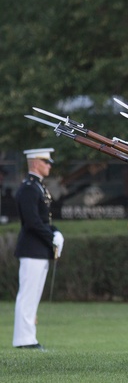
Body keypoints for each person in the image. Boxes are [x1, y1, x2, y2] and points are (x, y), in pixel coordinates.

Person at [13, 148, 63, 350]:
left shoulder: (38, 187)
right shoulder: (28, 188)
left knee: (33, 296)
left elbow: (44, 220)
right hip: (31, 249)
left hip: (40, 250)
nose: (49, 165)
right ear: (35, 164)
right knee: (27, 295)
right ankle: (24, 340)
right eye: (46, 162)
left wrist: (56, 232)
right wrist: (52, 236)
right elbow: (32, 222)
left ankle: (29, 337)